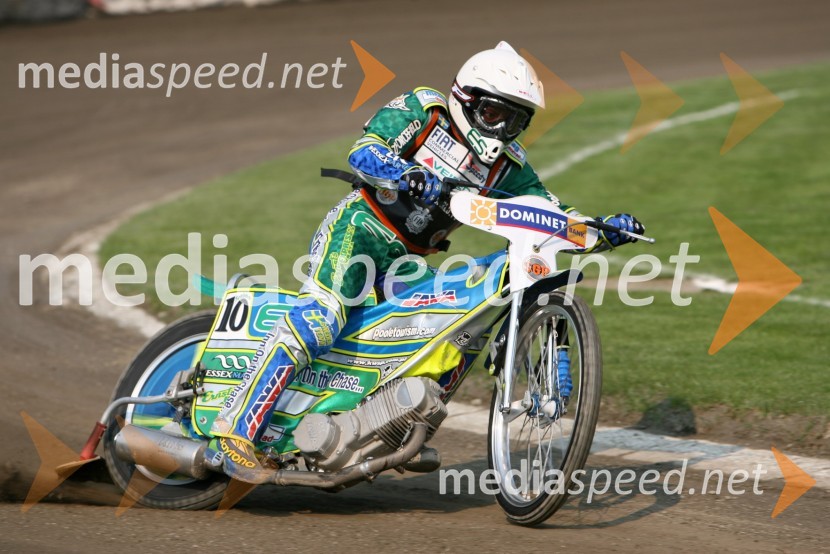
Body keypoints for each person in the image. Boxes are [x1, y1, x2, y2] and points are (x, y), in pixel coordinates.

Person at [208, 41, 644, 483]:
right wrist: (405, 174)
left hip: (409, 262)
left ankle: (391, 427)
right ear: (467, 100)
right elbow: (364, 150)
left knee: (453, 327)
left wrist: (599, 229)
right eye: (495, 114)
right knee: (321, 319)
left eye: (515, 120)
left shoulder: (509, 167)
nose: (501, 129)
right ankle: (236, 429)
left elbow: (547, 212)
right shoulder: (424, 109)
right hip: (359, 231)